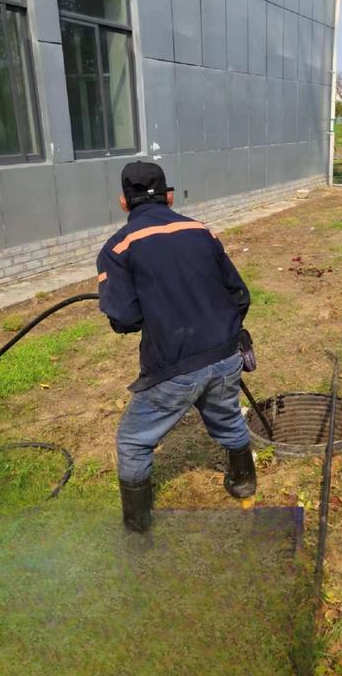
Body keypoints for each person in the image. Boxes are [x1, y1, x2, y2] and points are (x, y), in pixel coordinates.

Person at [97, 161, 256, 533]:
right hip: (225, 355)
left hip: (174, 367)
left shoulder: (118, 248)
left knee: (134, 441)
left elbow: (124, 320)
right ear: (169, 196)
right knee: (228, 416)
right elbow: (239, 294)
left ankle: (137, 524)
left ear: (124, 202)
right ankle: (244, 481)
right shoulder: (201, 231)